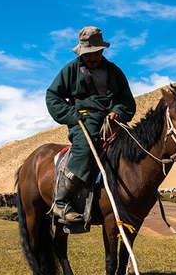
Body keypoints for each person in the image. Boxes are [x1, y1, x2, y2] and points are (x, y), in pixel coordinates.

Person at [46, 26, 136, 222]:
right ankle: (61, 202)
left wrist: (117, 111)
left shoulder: (114, 72)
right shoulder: (71, 69)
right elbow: (53, 96)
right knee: (86, 149)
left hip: (112, 122)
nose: (92, 58)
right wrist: (71, 115)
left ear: (102, 50)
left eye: (95, 53)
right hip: (83, 121)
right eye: (87, 55)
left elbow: (127, 100)